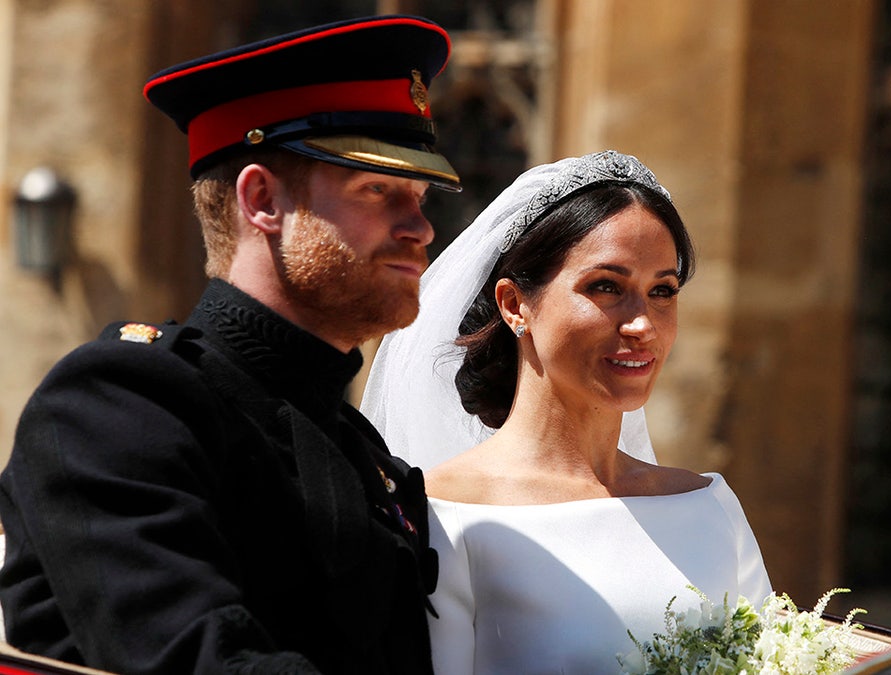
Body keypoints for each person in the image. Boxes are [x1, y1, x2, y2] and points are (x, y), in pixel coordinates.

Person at [0, 15, 460, 674]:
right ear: (262, 198)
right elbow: (198, 658)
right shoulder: (116, 404)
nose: (420, 226)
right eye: (380, 189)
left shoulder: (355, 444)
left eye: (420, 197)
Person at [360, 150, 772, 673]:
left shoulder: (710, 507)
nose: (642, 324)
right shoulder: (444, 516)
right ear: (515, 305)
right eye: (606, 287)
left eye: (662, 291)